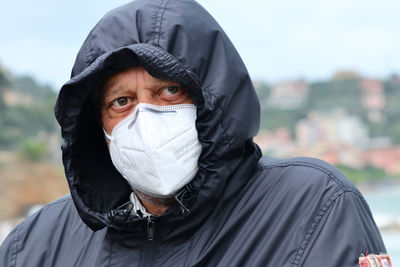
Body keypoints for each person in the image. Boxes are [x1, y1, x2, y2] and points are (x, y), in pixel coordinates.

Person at [0, 0, 390, 266]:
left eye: (169, 90)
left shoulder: (313, 207)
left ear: (213, 97)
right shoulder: (35, 245)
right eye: (121, 101)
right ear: (96, 125)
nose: (145, 116)